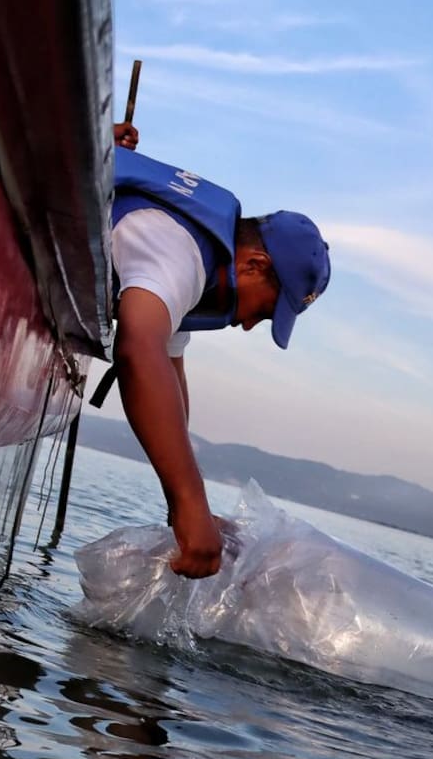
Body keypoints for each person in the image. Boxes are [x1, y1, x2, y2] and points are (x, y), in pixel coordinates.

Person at [102, 123, 331, 579]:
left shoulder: (199, 267)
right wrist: (189, 506)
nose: (246, 325)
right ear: (253, 264)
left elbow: (168, 371)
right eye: (263, 311)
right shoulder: (178, 252)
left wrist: (189, 506)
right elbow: (139, 350)